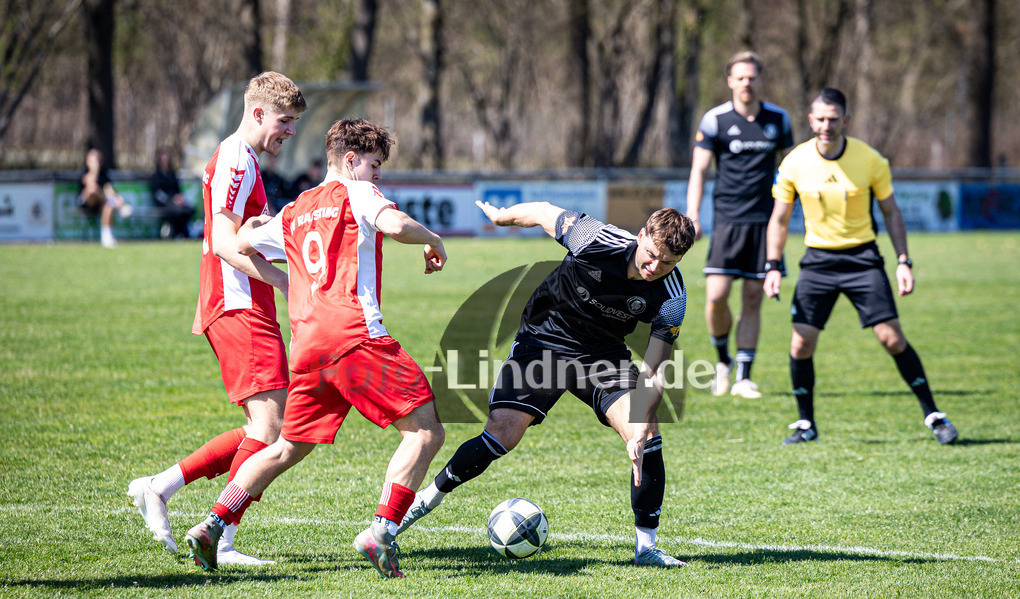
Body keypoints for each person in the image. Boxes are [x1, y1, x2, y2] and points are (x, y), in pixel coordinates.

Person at [182, 118, 448, 579]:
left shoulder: (295, 209)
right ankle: (381, 530)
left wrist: (260, 225)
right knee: (425, 432)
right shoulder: (357, 192)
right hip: (355, 337)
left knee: (288, 446)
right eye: (374, 164)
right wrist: (433, 239)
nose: (378, 175)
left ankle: (212, 523)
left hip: (306, 346)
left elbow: (241, 241)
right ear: (350, 161)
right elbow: (397, 223)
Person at [398, 200, 696, 568]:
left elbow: (654, 371)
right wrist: (500, 217)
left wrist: (639, 427)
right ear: (641, 237)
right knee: (503, 433)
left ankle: (646, 547)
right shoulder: (595, 239)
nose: (655, 268)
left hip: (603, 356)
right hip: (544, 341)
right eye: (651, 255)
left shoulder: (673, 297)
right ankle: (428, 498)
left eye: (668, 263)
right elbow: (542, 212)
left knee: (646, 434)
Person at [127, 72, 307, 565]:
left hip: (245, 303)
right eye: (285, 121)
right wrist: (289, 283)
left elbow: (243, 231)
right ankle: (220, 537)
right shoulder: (235, 159)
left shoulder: (244, 158)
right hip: (238, 304)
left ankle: (160, 488)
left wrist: (277, 228)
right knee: (272, 428)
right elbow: (226, 245)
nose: (289, 131)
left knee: (264, 427)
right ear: (257, 113)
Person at [763, 88, 958, 445]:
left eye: (834, 119)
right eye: (820, 119)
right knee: (800, 343)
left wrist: (903, 261)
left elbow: (891, 213)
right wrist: (773, 265)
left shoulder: (870, 160)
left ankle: (934, 415)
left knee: (892, 338)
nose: (826, 125)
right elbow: (778, 219)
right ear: (810, 120)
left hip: (862, 260)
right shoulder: (794, 162)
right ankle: (806, 424)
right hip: (818, 262)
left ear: (846, 121)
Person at [686, 51, 793, 399]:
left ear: (760, 80)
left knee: (752, 299)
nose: (747, 83)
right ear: (730, 81)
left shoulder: (779, 119)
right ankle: (723, 361)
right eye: (740, 77)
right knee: (716, 297)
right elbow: (699, 171)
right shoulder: (715, 120)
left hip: (765, 223)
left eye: (752, 77)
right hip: (727, 221)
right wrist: (693, 215)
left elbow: (792, 169)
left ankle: (745, 376)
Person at [79, 147, 132, 248]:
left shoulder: (103, 175)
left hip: (100, 204)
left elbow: (109, 188)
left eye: (97, 161)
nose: (95, 163)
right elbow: (90, 184)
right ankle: (114, 204)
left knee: (109, 206)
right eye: (92, 160)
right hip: (87, 203)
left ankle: (106, 238)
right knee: (92, 190)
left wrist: (116, 198)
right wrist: (94, 170)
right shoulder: (85, 173)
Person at [150, 147, 196, 239]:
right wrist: (171, 200)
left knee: (189, 209)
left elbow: (177, 189)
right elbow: (157, 194)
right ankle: (177, 233)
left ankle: (183, 233)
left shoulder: (172, 174)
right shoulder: (156, 176)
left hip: (175, 201)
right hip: (164, 202)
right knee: (177, 211)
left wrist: (179, 198)